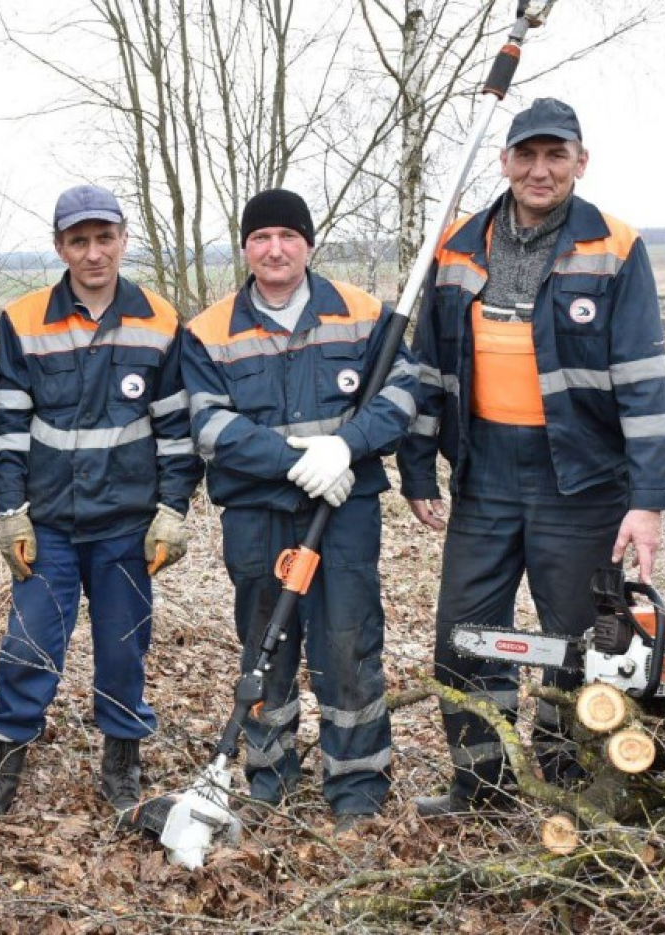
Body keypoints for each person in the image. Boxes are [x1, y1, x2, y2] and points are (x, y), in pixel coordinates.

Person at [398, 98, 665, 816]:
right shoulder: (459, 246)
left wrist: (647, 501)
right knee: (465, 633)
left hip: (583, 478)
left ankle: (564, 786)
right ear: (505, 162)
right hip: (485, 472)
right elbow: (429, 365)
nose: (539, 169)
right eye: (526, 155)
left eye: (556, 155)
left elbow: (645, 382)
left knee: (579, 642)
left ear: (580, 163)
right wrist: (417, 461)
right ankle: (481, 786)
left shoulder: (614, 248)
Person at [181, 188, 418, 832]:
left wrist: (347, 447)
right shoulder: (209, 330)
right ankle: (268, 776)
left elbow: (402, 394)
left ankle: (357, 787)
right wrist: (292, 461)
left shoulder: (365, 314)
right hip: (257, 516)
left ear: (309, 244)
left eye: (289, 236)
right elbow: (208, 424)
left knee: (348, 643)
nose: (276, 249)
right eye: (261, 238)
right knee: (264, 647)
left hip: (345, 512)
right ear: (246, 248)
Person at [0, 184, 202, 820]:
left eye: (105, 238)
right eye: (79, 241)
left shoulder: (159, 320)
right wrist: (10, 509)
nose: (94, 252)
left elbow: (176, 431)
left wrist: (173, 511)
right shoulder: (22, 321)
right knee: (29, 644)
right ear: (60, 248)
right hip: (46, 524)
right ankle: (4, 757)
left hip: (126, 526)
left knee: (124, 644)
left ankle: (122, 760)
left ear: (124, 240)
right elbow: (10, 428)